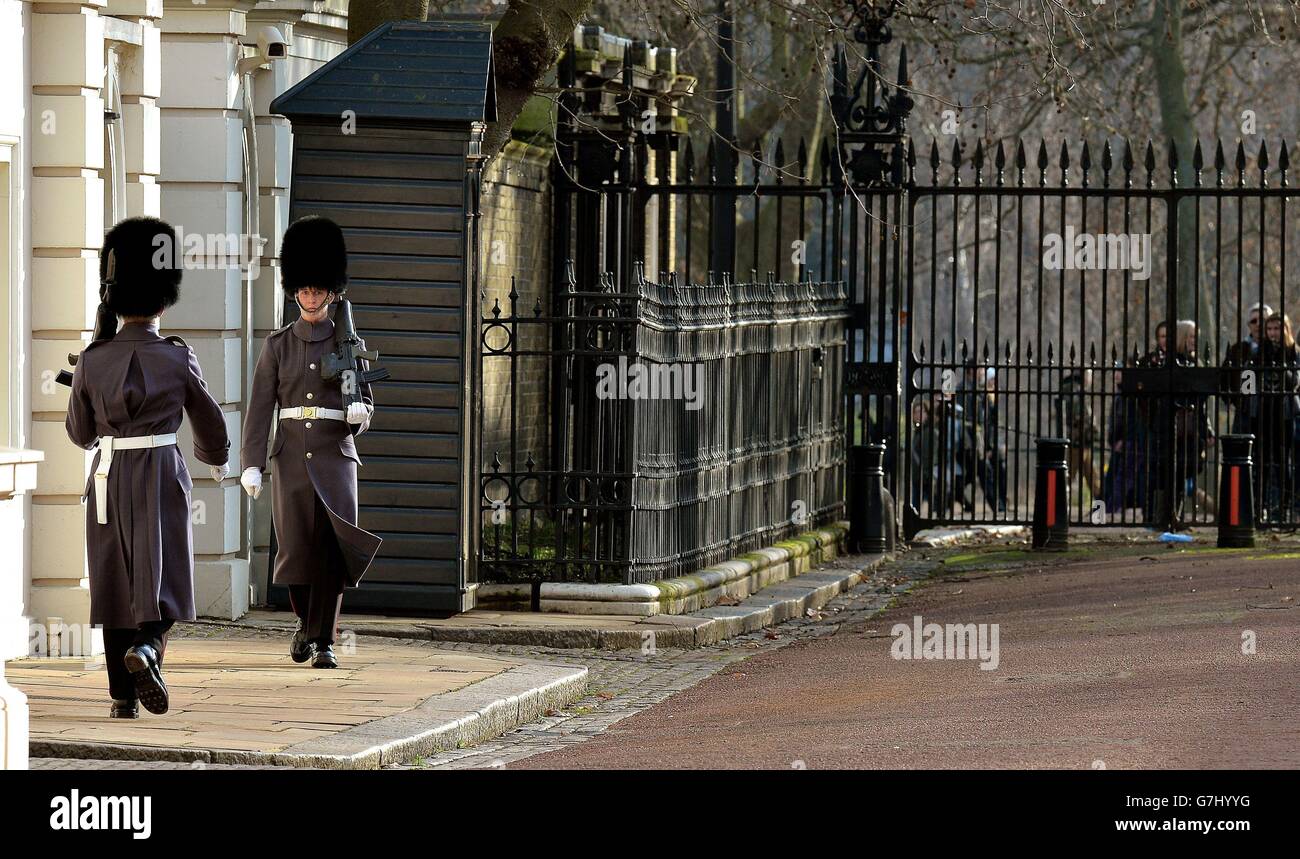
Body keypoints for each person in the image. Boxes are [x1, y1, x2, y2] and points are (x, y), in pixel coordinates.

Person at [64, 217, 231, 718]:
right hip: (160, 469)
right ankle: (149, 648)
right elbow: (209, 419)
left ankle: (121, 699)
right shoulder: (178, 357)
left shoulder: (94, 359)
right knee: (168, 576)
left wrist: (88, 378)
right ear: (164, 299)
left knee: (113, 579)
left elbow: (80, 433)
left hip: (108, 475)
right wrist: (217, 458)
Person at [241, 216, 381, 669]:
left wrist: (359, 416)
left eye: (318, 290)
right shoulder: (278, 344)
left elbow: (365, 400)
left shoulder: (349, 340)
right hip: (290, 462)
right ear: (295, 291)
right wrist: (251, 463)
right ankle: (305, 622)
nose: (311, 297)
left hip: (334, 456)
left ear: (332, 291)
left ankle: (324, 640)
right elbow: (261, 406)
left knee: (330, 552)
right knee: (296, 552)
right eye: (304, 290)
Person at [1257, 312, 1300, 519]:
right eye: (1270, 329)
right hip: (1264, 410)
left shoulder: (1293, 351)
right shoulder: (1260, 351)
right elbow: (1249, 380)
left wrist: (1282, 368)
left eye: (1277, 329)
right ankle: (1260, 506)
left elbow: (1295, 382)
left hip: (1284, 412)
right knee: (1262, 460)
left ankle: (1284, 507)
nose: (1273, 333)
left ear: (1285, 330)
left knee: (1284, 460)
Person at [1223, 302, 1273, 435]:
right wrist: (1237, 400)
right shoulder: (1237, 349)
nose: (1258, 324)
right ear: (1249, 325)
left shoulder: (1277, 349)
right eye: (1253, 321)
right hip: (1244, 411)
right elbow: (1226, 378)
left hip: (1271, 412)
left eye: (1262, 320)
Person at [976, 368, 1007, 512]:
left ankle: (1002, 501)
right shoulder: (983, 397)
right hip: (987, 443)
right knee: (989, 473)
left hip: (997, 443)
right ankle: (997, 504)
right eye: (991, 379)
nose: (993, 382)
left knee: (1001, 472)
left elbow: (999, 424)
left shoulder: (996, 396)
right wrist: (988, 447)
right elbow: (985, 424)